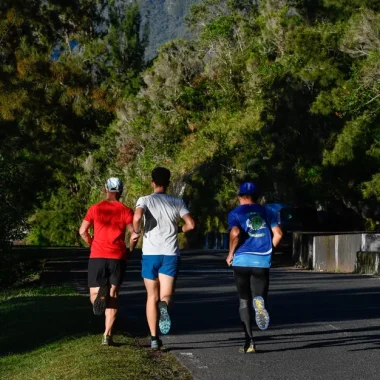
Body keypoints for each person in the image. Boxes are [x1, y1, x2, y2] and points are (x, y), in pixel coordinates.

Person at [131, 167, 195, 350]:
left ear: (152, 182)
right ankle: (164, 306)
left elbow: (137, 217)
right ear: (168, 183)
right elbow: (191, 224)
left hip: (150, 253)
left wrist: (137, 231)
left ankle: (153, 338)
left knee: (151, 296)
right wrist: (178, 230)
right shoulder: (177, 201)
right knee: (166, 296)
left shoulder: (144, 200)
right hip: (170, 253)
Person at [226, 182, 283, 353]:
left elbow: (235, 233)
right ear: (258, 197)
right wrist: (269, 251)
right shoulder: (268, 212)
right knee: (259, 297)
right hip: (262, 260)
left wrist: (230, 254)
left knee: (244, 300)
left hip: (241, 261)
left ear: (239, 196)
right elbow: (279, 234)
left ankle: (249, 342)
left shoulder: (235, 213)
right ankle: (260, 303)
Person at [79, 177, 136, 346]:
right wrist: (130, 250)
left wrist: (92, 243)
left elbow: (82, 230)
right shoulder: (126, 210)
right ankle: (107, 335)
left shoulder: (95, 208)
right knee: (114, 296)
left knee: (94, 294)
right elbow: (134, 234)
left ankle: (99, 297)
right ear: (121, 191)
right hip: (117, 257)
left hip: (97, 255)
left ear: (105, 189)